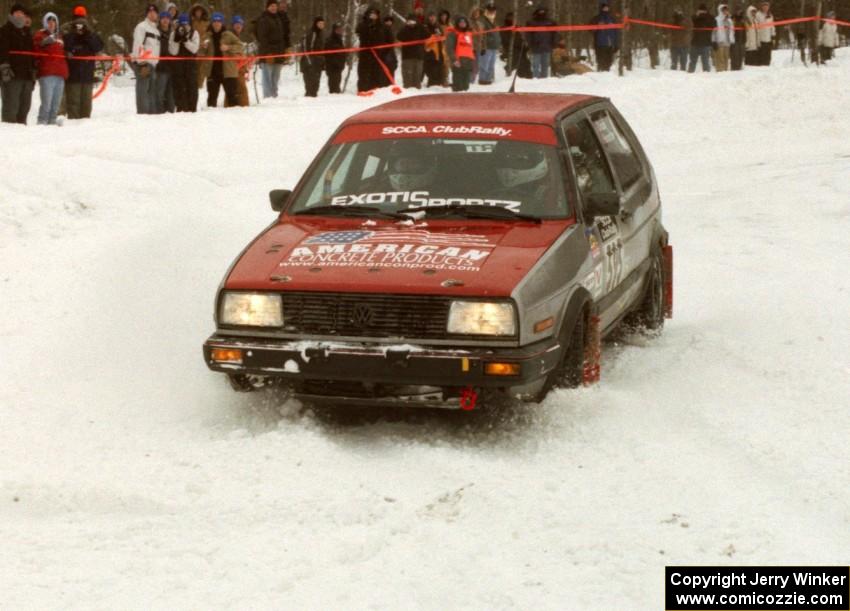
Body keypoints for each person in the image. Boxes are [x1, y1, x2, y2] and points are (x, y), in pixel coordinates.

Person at [63, 5, 103, 120]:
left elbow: (99, 46)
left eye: (82, 19)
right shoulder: (68, 32)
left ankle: (85, 131)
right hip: (73, 76)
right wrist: (74, 33)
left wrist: (88, 33)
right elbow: (65, 47)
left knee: (86, 106)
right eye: (77, 19)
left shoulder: (90, 33)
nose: (79, 23)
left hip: (87, 75)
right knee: (73, 105)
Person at [0, 3, 36, 124]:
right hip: (12, 76)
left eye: (22, 14)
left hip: (27, 76)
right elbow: (2, 51)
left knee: (24, 108)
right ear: (12, 14)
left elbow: (32, 55)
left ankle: (22, 136)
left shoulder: (27, 33)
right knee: (11, 107)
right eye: (18, 13)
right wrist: (4, 68)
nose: (20, 15)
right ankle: (9, 135)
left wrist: (33, 74)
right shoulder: (5, 30)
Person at [201, 12, 243, 108]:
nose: (216, 23)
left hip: (228, 71)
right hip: (212, 71)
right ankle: (210, 120)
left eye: (219, 21)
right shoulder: (207, 35)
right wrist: (203, 47)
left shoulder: (229, 34)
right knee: (211, 98)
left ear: (222, 23)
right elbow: (200, 53)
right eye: (215, 21)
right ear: (212, 23)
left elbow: (240, 47)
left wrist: (228, 47)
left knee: (232, 98)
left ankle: (236, 120)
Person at [32, 11, 67, 126]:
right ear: (45, 23)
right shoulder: (40, 35)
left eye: (54, 21)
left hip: (60, 74)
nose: (51, 23)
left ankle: (52, 124)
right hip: (47, 73)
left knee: (56, 104)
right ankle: (41, 123)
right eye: (49, 21)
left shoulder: (60, 36)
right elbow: (35, 51)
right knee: (46, 103)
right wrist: (43, 43)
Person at [132, 4, 161, 114]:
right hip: (144, 64)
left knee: (152, 92)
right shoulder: (141, 27)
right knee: (143, 92)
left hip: (153, 64)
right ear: (146, 14)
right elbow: (138, 45)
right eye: (149, 11)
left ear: (157, 14)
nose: (152, 13)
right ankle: (143, 116)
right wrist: (142, 63)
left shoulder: (156, 30)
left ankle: (151, 116)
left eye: (154, 12)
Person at [169, 12, 199, 112]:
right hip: (178, 66)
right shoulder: (173, 33)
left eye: (186, 24)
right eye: (182, 24)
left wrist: (186, 40)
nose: (184, 27)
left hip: (191, 65)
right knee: (179, 88)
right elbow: (173, 52)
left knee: (192, 88)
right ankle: (181, 109)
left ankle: (192, 109)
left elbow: (195, 49)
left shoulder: (194, 33)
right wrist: (177, 40)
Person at [256, 0, 287, 97]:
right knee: (267, 77)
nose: (274, 8)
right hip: (268, 53)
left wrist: (284, 50)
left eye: (275, 6)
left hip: (279, 53)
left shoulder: (278, 19)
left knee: (276, 77)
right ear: (267, 7)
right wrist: (268, 53)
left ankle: (274, 95)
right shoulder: (263, 19)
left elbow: (282, 36)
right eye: (271, 6)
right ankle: (267, 96)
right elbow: (262, 38)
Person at [356, 7, 388, 92]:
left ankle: (375, 90)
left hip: (377, 55)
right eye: (371, 14)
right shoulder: (363, 24)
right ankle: (363, 91)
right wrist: (369, 24)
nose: (373, 16)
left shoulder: (381, 26)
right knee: (364, 74)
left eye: (375, 14)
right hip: (365, 54)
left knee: (376, 74)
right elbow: (360, 32)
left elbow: (386, 39)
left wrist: (382, 51)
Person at [396, 13, 427, 88]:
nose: (411, 23)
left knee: (417, 75)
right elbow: (399, 36)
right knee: (407, 76)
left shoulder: (420, 28)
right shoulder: (404, 29)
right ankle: (407, 90)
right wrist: (406, 27)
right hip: (407, 56)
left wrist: (420, 26)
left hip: (419, 56)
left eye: (413, 21)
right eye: (409, 21)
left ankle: (417, 89)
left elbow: (427, 35)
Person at [525, 6, 556, 78]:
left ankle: (544, 80)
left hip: (547, 46)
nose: (542, 13)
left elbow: (555, 33)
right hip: (536, 47)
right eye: (540, 11)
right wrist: (531, 43)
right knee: (535, 65)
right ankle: (536, 80)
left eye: (543, 11)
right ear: (537, 12)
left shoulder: (551, 22)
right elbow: (528, 35)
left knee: (545, 65)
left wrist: (554, 43)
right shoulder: (531, 22)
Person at [446, 14, 474, 91]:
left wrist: (472, 62)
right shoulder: (453, 34)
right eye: (460, 22)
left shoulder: (469, 34)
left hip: (468, 62)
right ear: (457, 23)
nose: (462, 23)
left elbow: (470, 49)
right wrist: (454, 60)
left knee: (466, 86)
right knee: (458, 86)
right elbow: (449, 48)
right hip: (458, 62)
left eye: (464, 22)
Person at [590, 2, 619, 72]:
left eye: (607, 7)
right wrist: (595, 28)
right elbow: (590, 28)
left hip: (610, 43)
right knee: (601, 62)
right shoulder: (597, 18)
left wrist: (616, 44)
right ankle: (601, 74)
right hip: (600, 44)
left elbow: (616, 31)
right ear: (601, 8)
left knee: (609, 62)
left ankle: (607, 75)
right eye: (604, 7)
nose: (606, 8)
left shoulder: (612, 18)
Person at [154, 12, 175, 113]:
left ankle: (171, 111)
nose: (165, 20)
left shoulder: (173, 32)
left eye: (167, 18)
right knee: (160, 92)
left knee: (171, 93)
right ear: (160, 20)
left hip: (172, 66)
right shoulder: (156, 32)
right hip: (160, 67)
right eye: (163, 18)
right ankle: (159, 112)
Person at [301, 17, 325, 97]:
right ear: (316, 24)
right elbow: (305, 48)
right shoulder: (311, 33)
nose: (321, 25)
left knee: (316, 83)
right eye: (320, 23)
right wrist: (309, 61)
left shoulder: (321, 34)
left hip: (318, 61)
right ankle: (309, 97)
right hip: (309, 62)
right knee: (310, 82)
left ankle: (313, 96)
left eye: (323, 24)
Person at [231, 16, 251, 106]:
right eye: (236, 24)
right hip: (233, 68)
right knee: (238, 90)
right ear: (233, 25)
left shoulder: (239, 36)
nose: (238, 26)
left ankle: (241, 107)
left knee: (240, 89)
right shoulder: (230, 36)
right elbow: (230, 51)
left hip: (240, 68)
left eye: (240, 24)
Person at [478, 3, 499, 85]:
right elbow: (481, 34)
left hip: (494, 46)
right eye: (490, 10)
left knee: (491, 65)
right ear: (486, 11)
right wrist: (483, 46)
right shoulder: (482, 20)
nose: (491, 12)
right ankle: (483, 80)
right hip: (486, 46)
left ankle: (489, 80)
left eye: (493, 10)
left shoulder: (494, 21)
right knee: (484, 65)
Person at [688, 4, 714, 72]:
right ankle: (689, 76)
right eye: (700, 10)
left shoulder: (710, 17)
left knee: (705, 62)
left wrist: (706, 15)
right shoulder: (695, 17)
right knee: (692, 62)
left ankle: (707, 77)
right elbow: (690, 21)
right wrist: (697, 15)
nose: (702, 12)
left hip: (706, 43)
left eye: (703, 11)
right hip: (695, 43)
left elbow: (713, 24)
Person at [189, 4, 209, 89]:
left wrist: (205, 42)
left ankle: (200, 84)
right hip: (193, 47)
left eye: (200, 11)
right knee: (193, 67)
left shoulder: (206, 22)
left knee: (202, 67)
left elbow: (208, 34)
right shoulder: (191, 22)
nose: (198, 13)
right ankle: (193, 84)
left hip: (204, 48)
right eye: (197, 11)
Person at [423, 12, 444, 87]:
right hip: (428, 50)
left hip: (438, 50)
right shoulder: (425, 26)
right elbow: (424, 36)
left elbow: (442, 36)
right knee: (429, 68)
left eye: (433, 17)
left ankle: (437, 82)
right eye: (430, 17)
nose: (432, 18)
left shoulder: (438, 26)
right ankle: (432, 83)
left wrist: (439, 35)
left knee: (438, 67)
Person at [324, 22, 346, 93]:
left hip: (339, 66)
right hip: (332, 67)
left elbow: (343, 53)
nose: (339, 31)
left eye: (340, 30)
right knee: (333, 84)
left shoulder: (340, 40)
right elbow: (327, 54)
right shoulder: (330, 40)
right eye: (337, 30)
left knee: (337, 83)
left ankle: (336, 94)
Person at [712, 4, 734, 72]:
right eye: (724, 10)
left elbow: (732, 31)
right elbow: (713, 32)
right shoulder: (716, 19)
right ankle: (720, 71)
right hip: (719, 41)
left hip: (727, 42)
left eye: (726, 10)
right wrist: (713, 41)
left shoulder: (730, 20)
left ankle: (725, 71)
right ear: (720, 10)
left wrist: (732, 40)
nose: (725, 11)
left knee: (726, 58)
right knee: (719, 58)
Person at [754, 2, 775, 66]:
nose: (765, 8)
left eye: (767, 6)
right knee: (761, 54)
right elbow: (756, 25)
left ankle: (767, 65)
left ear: (768, 7)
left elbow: (772, 26)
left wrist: (773, 36)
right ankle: (761, 66)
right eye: (764, 6)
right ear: (762, 7)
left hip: (768, 38)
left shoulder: (770, 15)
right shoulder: (758, 14)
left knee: (768, 54)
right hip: (761, 38)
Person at [380, 15, 398, 86]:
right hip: (385, 53)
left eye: (390, 21)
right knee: (385, 71)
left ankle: (390, 86)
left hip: (390, 53)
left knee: (391, 70)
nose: (389, 22)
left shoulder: (391, 30)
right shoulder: (382, 29)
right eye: (387, 21)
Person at [437, 10, 452, 85]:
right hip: (439, 46)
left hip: (448, 46)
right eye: (442, 15)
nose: (444, 17)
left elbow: (454, 34)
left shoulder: (450, 24)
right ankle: (440, 79)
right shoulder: (438, 25)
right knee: (440, 63)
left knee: (447, 63)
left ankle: (445, 79)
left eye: (445, 15)